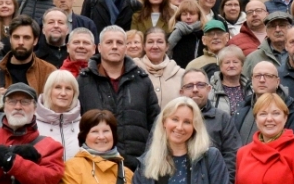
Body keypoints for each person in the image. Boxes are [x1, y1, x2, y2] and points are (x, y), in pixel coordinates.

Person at [77, 26, 163, 160]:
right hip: (94, 162)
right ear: (99, 47)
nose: (115, 46)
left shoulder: (142, 80)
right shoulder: (84, 81)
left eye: (120, 43)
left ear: (126, 48)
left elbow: (155, 123)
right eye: (109, 42)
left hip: (137, 164)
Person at [182, 68, 240, 180]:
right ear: (181, 91)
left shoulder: (222, 119)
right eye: (189, 86)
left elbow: (232, 157)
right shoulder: (169, 118)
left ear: (209, 89)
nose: (195, 89)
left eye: (200, 85)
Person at [237, 61, 294, 142]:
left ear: (277, 81)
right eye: (257, 76)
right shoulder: (242, 109)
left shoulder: (293, 112)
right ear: (252, 80)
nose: (262, 80)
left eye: (268, 76)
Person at [0, 16, 57, 93]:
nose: (21, 42)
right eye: (16, 37)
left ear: (35, 40)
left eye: (26, 37)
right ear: (10, 39)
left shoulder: (48, 71)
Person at [36, 69, 82, 160]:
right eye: (58, 87)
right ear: (49, 91)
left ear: (74, 93)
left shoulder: (84, 125)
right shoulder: (33, 125)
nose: (63, 93)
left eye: (68, 88)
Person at [135, 27, 184, 106]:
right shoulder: (132, 70)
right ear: (144, 46)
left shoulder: (181, 74)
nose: (155, 46)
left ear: (167, 46)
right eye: (150, 42)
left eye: (160, 42)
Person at [241, 10, 293, 80]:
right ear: (266, 31)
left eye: (282, 25)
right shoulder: (252, 58)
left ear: (290, 28)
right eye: (273, 26)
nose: (277, 30)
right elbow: (245, 86)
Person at [209, 46, 248, 115]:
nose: (231, 65)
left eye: (235, 62)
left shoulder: (251, 89)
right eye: (227, 62)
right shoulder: (211, 90)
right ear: (220, 66)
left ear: (242, 65)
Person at [166, 0, 205, 67]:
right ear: (179, 17)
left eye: (192, 14)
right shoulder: (171, 36)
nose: (188, 17)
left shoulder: (204, 35)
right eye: (184, 14)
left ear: (199, 16)